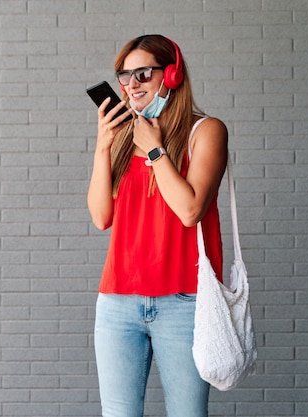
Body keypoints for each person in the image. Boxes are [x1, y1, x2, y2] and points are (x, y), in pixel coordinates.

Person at [87, 34, 228, 417]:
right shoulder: (123, 138)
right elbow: (101, 217)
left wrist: (154, 149)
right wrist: (104, 145)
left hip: (183, 303)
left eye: (143, 74)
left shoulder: (206, 132)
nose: (131, 85)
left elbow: (190, 210)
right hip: (118, 302)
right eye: (124, 76)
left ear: (172, 75)